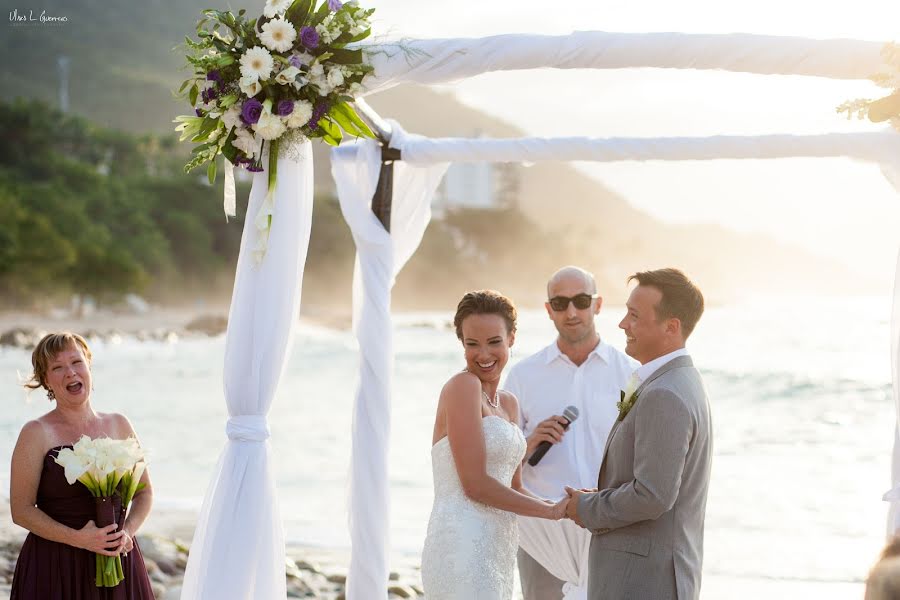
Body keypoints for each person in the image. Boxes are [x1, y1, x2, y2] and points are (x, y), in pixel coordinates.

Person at [565, 268, 711, 600]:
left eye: (633, 316)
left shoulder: (665, 394)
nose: (622, 324)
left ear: (671, 327)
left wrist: (587, 508)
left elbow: (653, 495)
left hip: (644, 583)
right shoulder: (671, 381)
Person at [421, 291, 569, 599]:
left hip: (498, 546)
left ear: (511, 338)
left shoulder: (510, 404)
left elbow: (514, 485)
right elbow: (474, 485)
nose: (483, 354)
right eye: (471, 344)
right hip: (461, 543)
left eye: (494, 341)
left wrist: (565, 507)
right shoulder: (462, 387)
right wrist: (551, 512)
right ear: (461, 343)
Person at [503, 265, 637, 599]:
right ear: (548, 310)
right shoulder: (522, 376)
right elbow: (499, 464)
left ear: (598, 304)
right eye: (561, 303)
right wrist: (529, 442)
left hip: (608, 523)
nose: (572, 311)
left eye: (580, 300)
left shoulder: (632, 375)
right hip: (541, 526)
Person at [9, 332, 155, 600]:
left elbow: (144, 493)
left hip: (119, 561)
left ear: (89, 365)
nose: (70, 373)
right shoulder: (35, 433)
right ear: (46, 381)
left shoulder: (119, 424)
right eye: (57, 367)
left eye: (76, 362)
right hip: (56, 568)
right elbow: (21, 510)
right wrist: (79, 539)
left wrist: (127, 534)